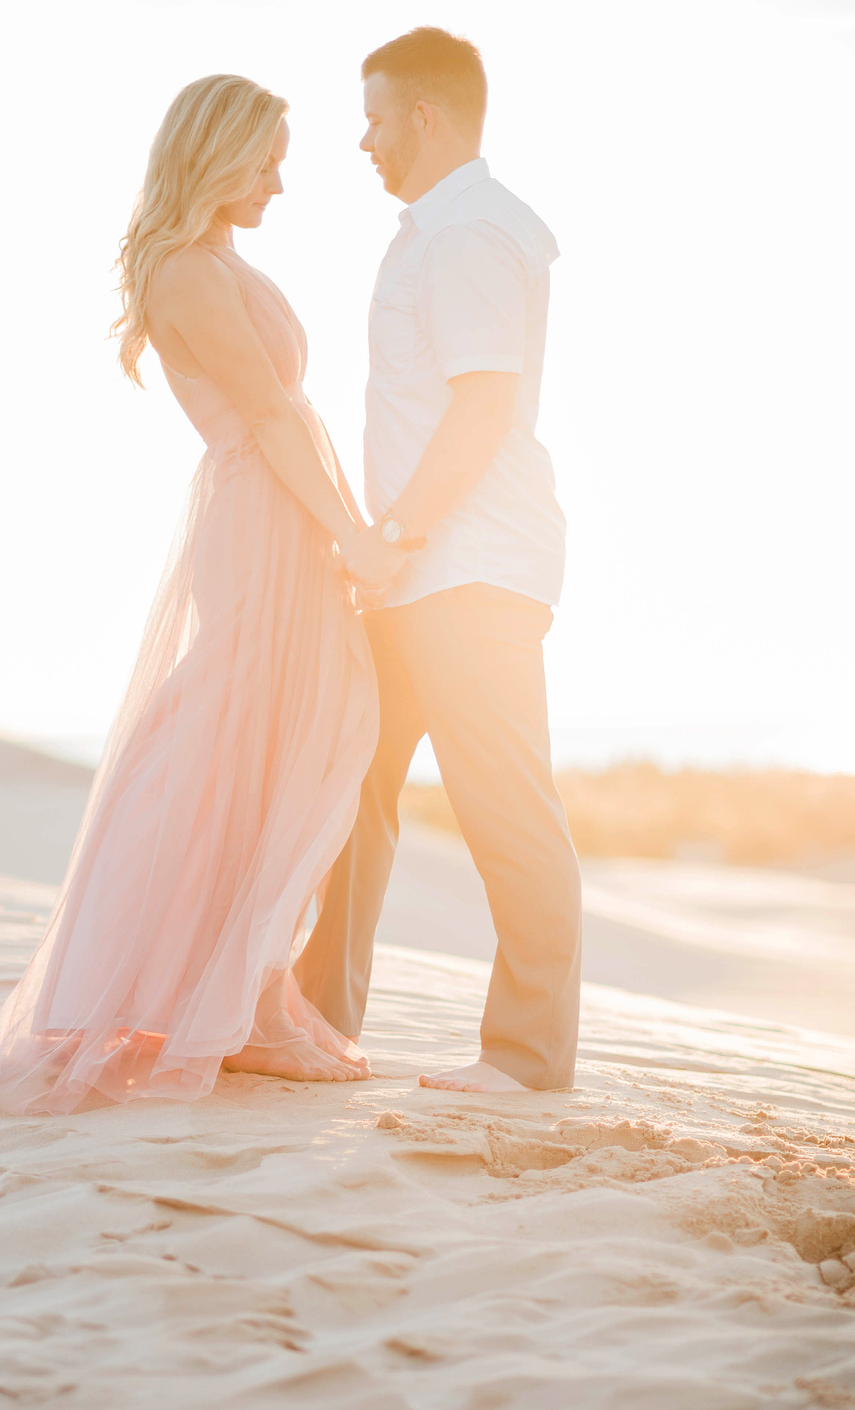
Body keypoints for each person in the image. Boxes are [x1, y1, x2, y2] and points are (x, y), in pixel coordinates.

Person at [0, 75, 378, 1115]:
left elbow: (292, 422)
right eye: (267, 158)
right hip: (261, 520)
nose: (281, 179)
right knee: (232, 745)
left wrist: (344, 528)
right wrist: (356, 538)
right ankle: (218, 1001)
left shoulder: (221, 260)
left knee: (285, 747)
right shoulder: (185, 271)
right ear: (217, 156)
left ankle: (246, 994)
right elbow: (273, 421)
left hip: (287, 515)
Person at [296, 27, 583, 1094]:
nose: (360, 140)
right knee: (352, 793)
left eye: (373, 117)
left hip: (467, 570)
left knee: (504, 805)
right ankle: (319, 1024)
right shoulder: (437, 229)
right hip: (418, 572)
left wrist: (397, 537)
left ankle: (526, 1056)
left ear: (424, 117)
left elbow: (481, 407)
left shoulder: (469, 235)